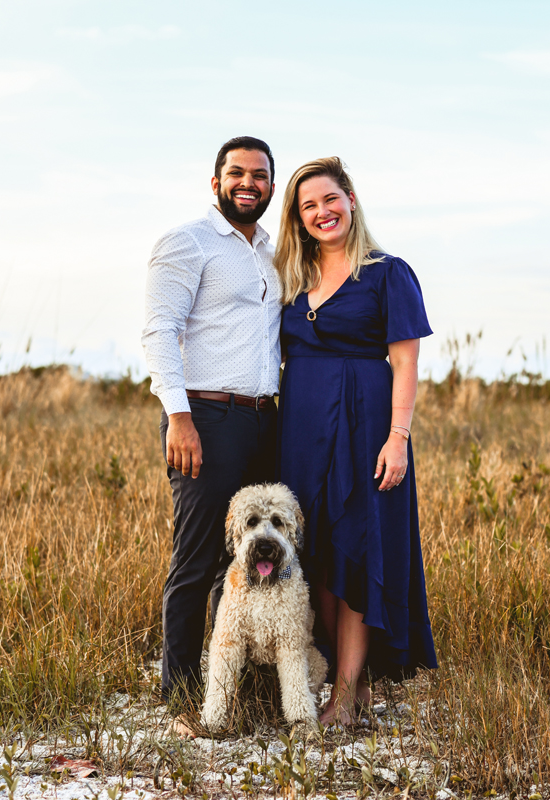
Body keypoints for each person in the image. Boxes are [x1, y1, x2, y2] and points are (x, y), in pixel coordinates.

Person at [273, 157, 437, 726]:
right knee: (316, 554)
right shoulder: (289, 278)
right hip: (300, 433)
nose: (322, 213)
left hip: (367, 428)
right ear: (298, 218)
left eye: (329, 200)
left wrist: (398, 437)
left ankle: (342, 697)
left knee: (359, 551)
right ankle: (352, 677)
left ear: (350, 199)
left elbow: (406, 361)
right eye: (308, 206)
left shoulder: (388, 273)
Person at [141, 136, 282, 735]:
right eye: (237, 173)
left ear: (272, 185)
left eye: (260, 175)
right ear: (216, 181)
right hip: (205, 417)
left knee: (258, 560)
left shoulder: (273, 251)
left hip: (265, 420)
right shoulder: (187, 242)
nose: (248, 183)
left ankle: (246, 689)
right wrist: (178, 416)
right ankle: (181, 696)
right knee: (197, 560)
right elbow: (158, 330)